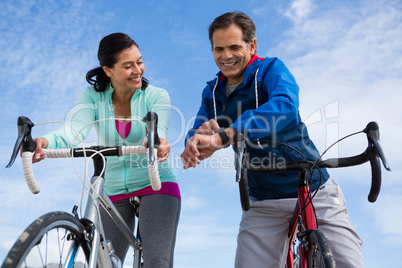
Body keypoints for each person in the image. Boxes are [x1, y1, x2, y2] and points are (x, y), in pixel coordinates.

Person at [181, 11, 363, 268]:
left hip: (312, 185)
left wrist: (231, 133)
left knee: (347, 263)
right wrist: (195, 143)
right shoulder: (212, 90)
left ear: (252, 45)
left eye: (234, 47)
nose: (226, 56)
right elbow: (201, 125)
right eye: (218, 49)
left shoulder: (271, 69)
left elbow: (285, 106)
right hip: (262, 198)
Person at [32, 33, 181, 268]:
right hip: (111, 190)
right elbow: (74, 131)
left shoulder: (156, 96)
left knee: (157, 261)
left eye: (139, 61)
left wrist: (159, 141)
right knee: (104, 262)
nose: (138, 70)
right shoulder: (93, 96)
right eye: (128, 65)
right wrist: (46, 142)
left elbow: (158, 130)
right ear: (108, 70)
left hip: (155, 184)